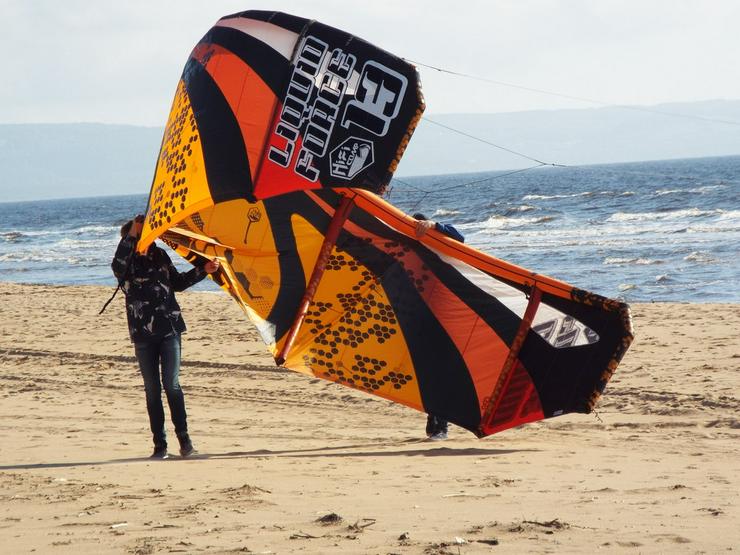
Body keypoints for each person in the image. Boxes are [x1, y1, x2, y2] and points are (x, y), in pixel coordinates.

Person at [112, 215, 219, 459]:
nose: (145, 235)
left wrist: (203, 270)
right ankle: (160, 446)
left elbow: (177, 283)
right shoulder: (125, 264)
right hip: (142, 333)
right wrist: (131, 233)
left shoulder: (160, 255)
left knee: (171, 385)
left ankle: (185, 440)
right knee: (152, 389)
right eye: (140, 233)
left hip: (170, 328)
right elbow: (118, 264)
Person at [412, 212, 465, 441]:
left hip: (445, 316)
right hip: (420, 317)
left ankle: (440, 425)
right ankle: (434, 424)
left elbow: (460, 238)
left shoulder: (442, 247)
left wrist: (435, 225)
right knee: (428, 375)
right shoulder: (408, 251)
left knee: (441, 373)